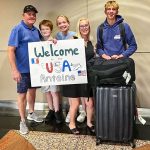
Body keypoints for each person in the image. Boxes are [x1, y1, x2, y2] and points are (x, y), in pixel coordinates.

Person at [8, 5, 43, 135]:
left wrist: (52, 41)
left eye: (34, 14)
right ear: (23, 15)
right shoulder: (17, 29)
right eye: (29, 14)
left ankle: (31, 113)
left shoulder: (35, 30)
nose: (32, 16)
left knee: (32, 91)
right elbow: (11, 50)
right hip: (22, 70)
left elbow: (42, 44)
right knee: (22, 94)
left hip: (35, 69)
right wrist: (14, 70)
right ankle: (22, 121)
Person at [60, 18, 95, 134]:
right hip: (74, 77)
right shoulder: (73, 39)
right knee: (75, 104)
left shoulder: (91, 42)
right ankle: (72, 123)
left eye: (86, 25)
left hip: (87, 77)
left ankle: (89, 123)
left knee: (89, 103)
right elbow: (61, 51)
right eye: (82, 26)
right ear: (78, 28)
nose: (84, 28)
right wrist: (52, 42)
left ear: (89, 27)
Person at [56, 15, 87, 124]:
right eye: (59, 23)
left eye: (64, 22)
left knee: (81, 92)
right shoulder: (58, 36)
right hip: (66, 69)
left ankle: (83, 111)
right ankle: (71, 111)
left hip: (76, 68)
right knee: (70, 93)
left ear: (68, 23)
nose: (62, 25)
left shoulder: (75, 35)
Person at [39, 20, 63, 124]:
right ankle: (51, 110)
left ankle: (57, 111)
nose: (45, 31)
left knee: (54, 92)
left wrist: (54, 42)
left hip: (53, 71)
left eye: (47, 29)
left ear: (51, 29)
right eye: (43, 29)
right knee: (47, 92)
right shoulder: (38, 42)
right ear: (40, 30)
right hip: (43, 71)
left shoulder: (54, 41)